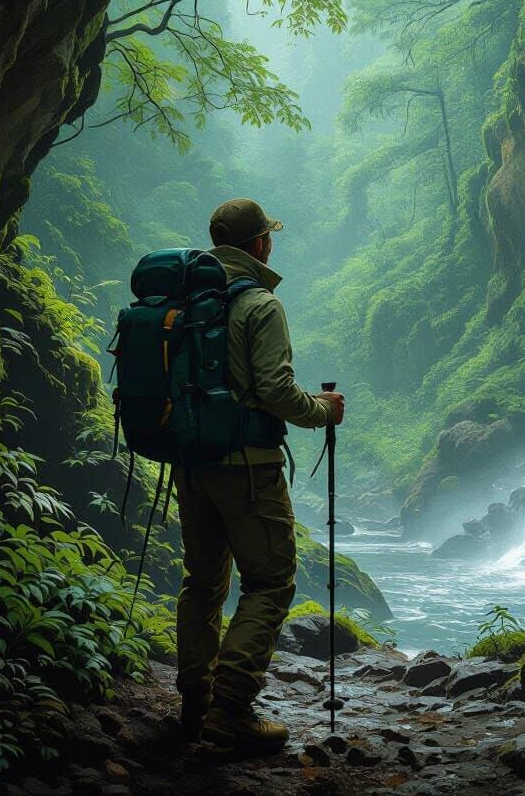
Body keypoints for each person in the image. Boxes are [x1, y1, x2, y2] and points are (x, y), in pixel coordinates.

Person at [175, 198, 345, 750]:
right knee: (270, 582)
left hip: (191, 463)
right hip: (247, 468)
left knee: (202, 583)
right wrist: (322, 412)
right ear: (259, 245)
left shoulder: (187, 299)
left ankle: (194, 702)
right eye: (269, 236)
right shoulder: (258, 304)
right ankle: (231, 710)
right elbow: (274, 389)